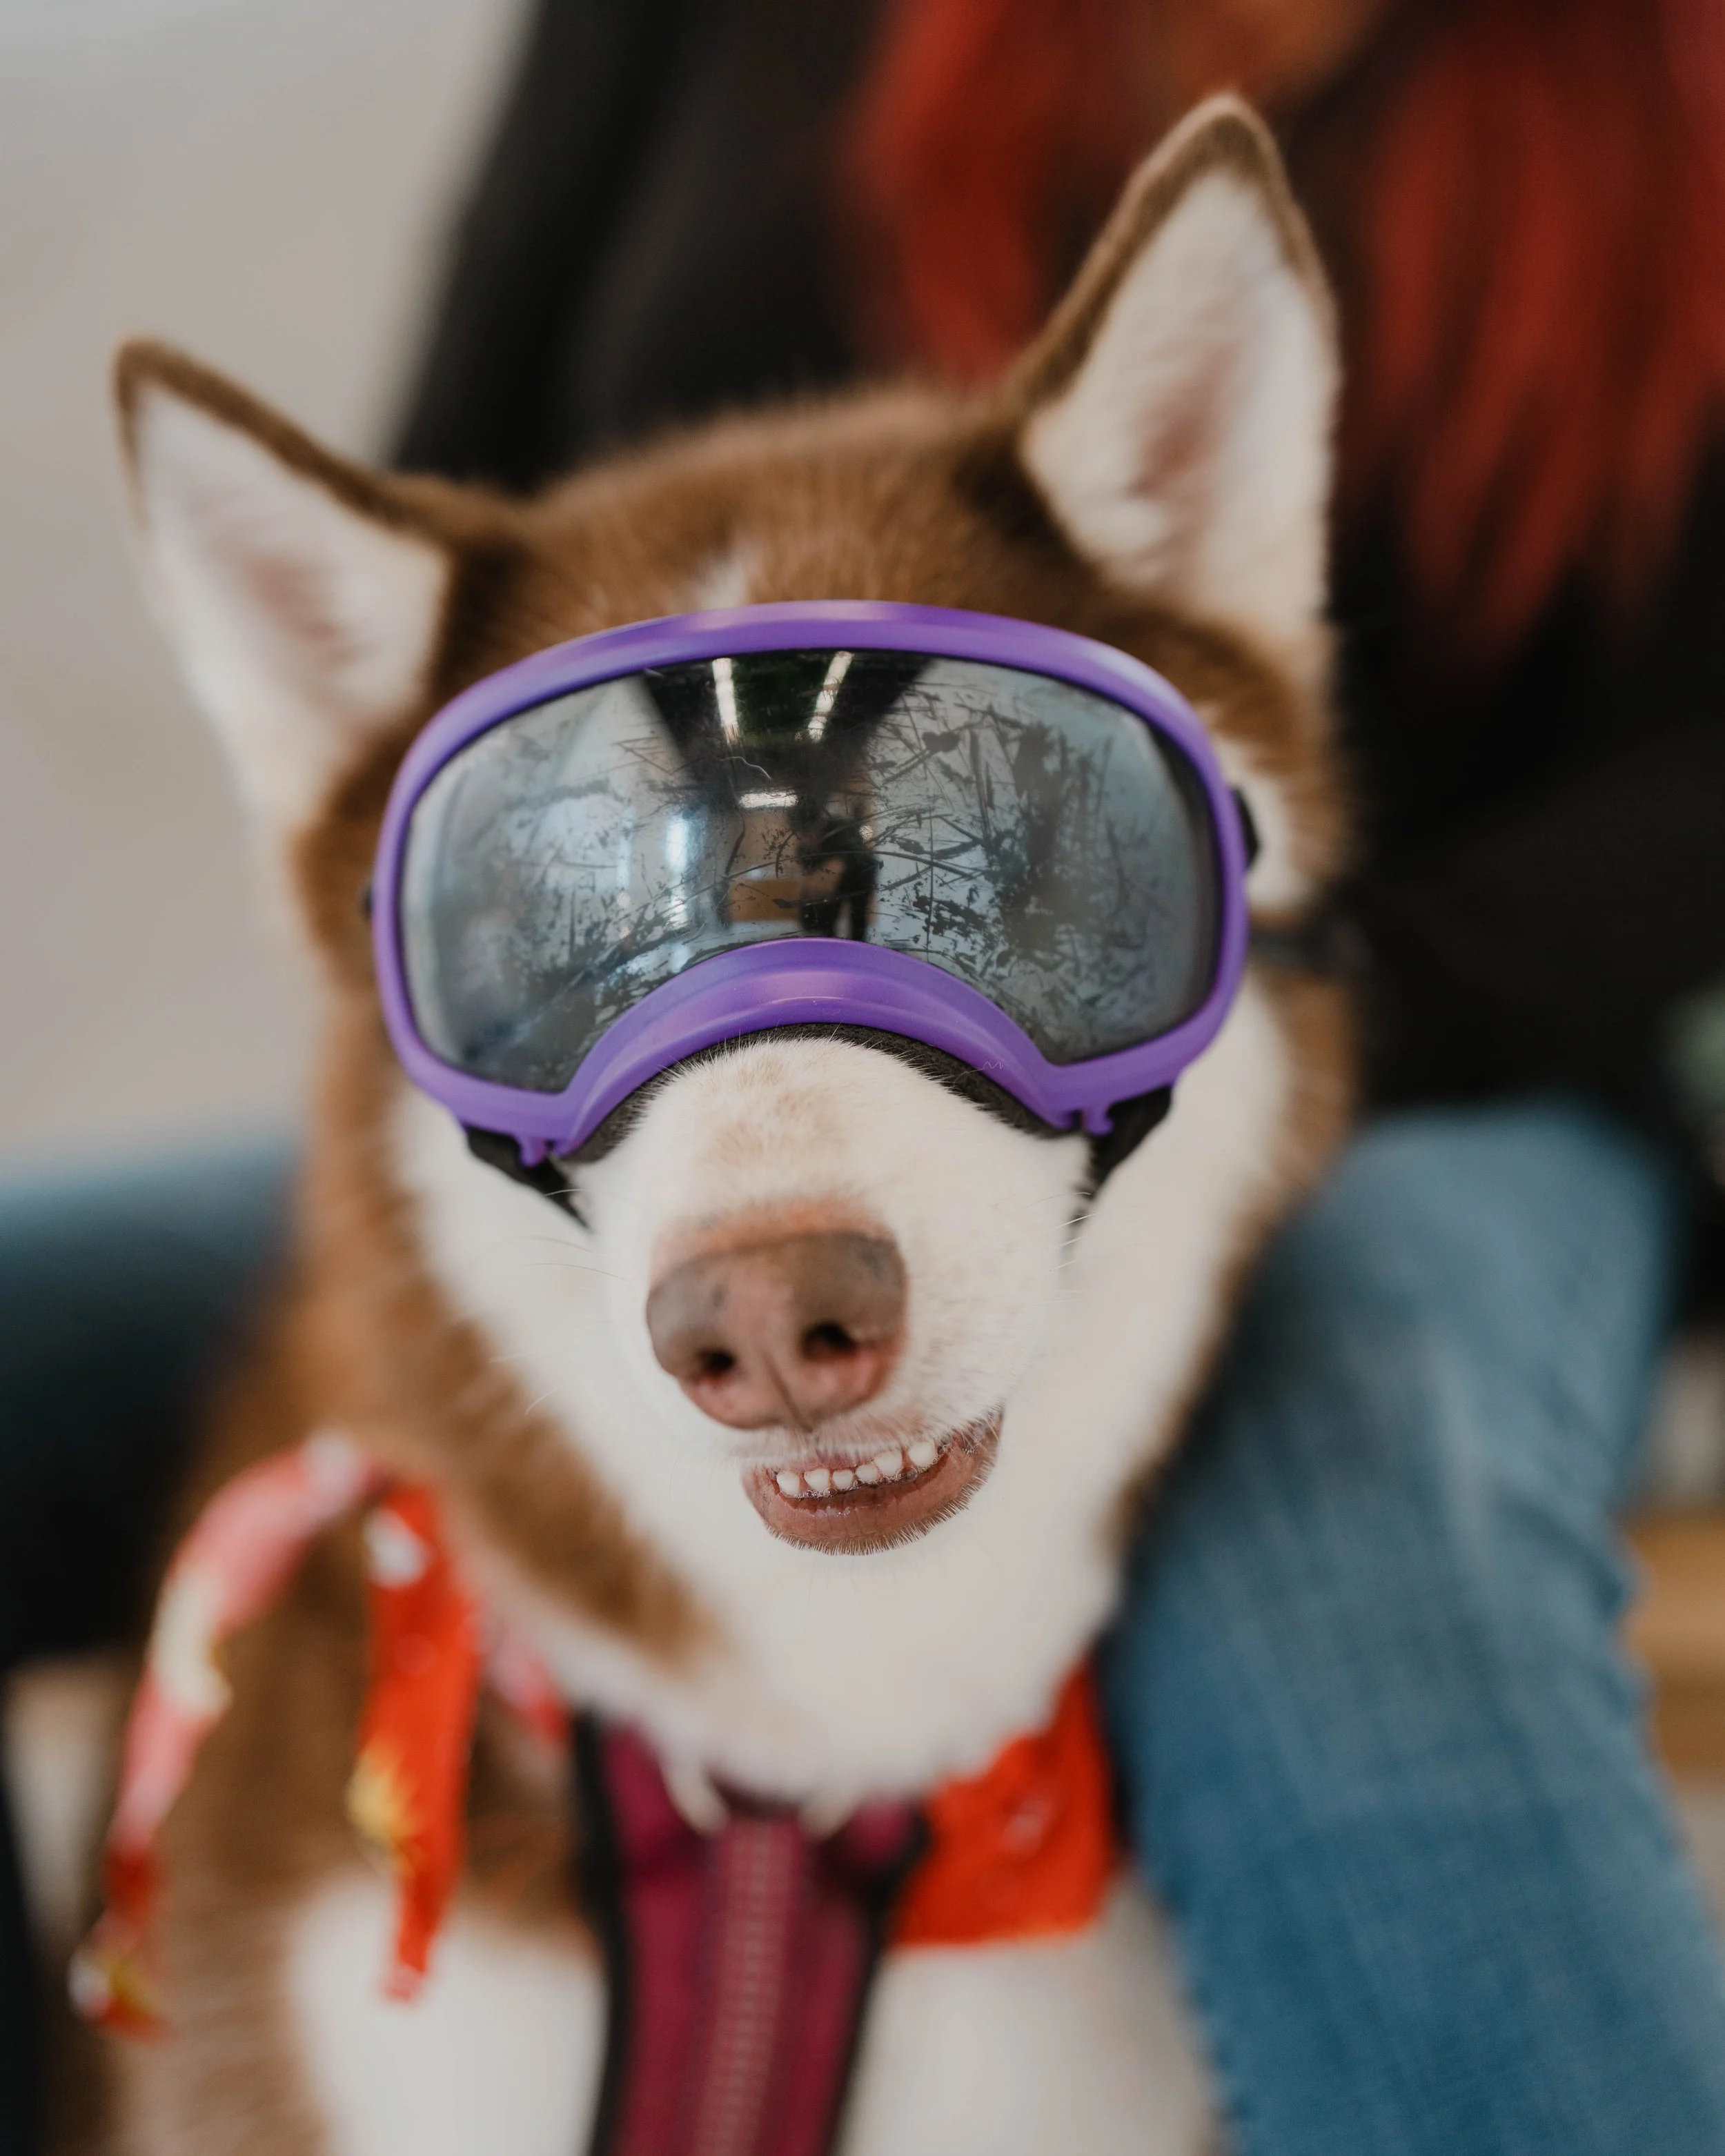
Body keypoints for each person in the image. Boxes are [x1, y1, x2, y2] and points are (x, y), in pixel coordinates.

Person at [6, 1, 1725, 2148]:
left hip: (1425, 1038)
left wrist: (1241, 954)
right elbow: (449, 541)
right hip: (649, 992)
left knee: (1357, 1543)